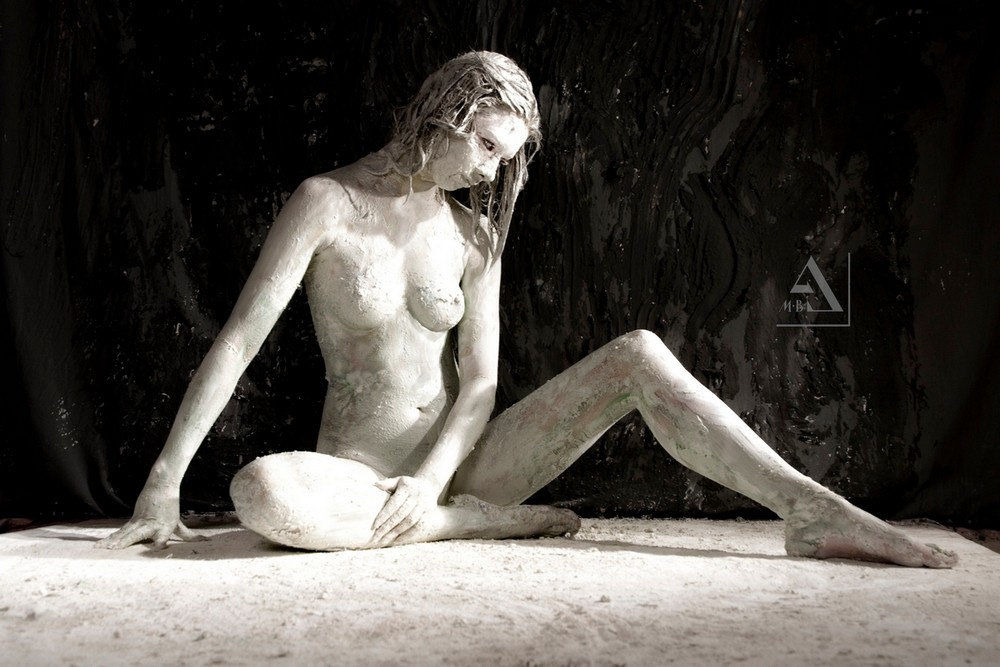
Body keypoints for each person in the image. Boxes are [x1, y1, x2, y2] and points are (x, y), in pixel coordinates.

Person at [97, 51, 956, 567]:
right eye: (484, 144)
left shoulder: (474, 235)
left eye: (504, 159)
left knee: (638, 352)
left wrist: (432, 479)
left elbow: (479, 385)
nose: (489, 171)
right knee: (261, 491)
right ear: (446, 113)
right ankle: (464, 529)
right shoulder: (326, 202)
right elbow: (239, 340)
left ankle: (808, 507)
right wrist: (162, 485)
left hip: (467, 463)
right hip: (356, 475)